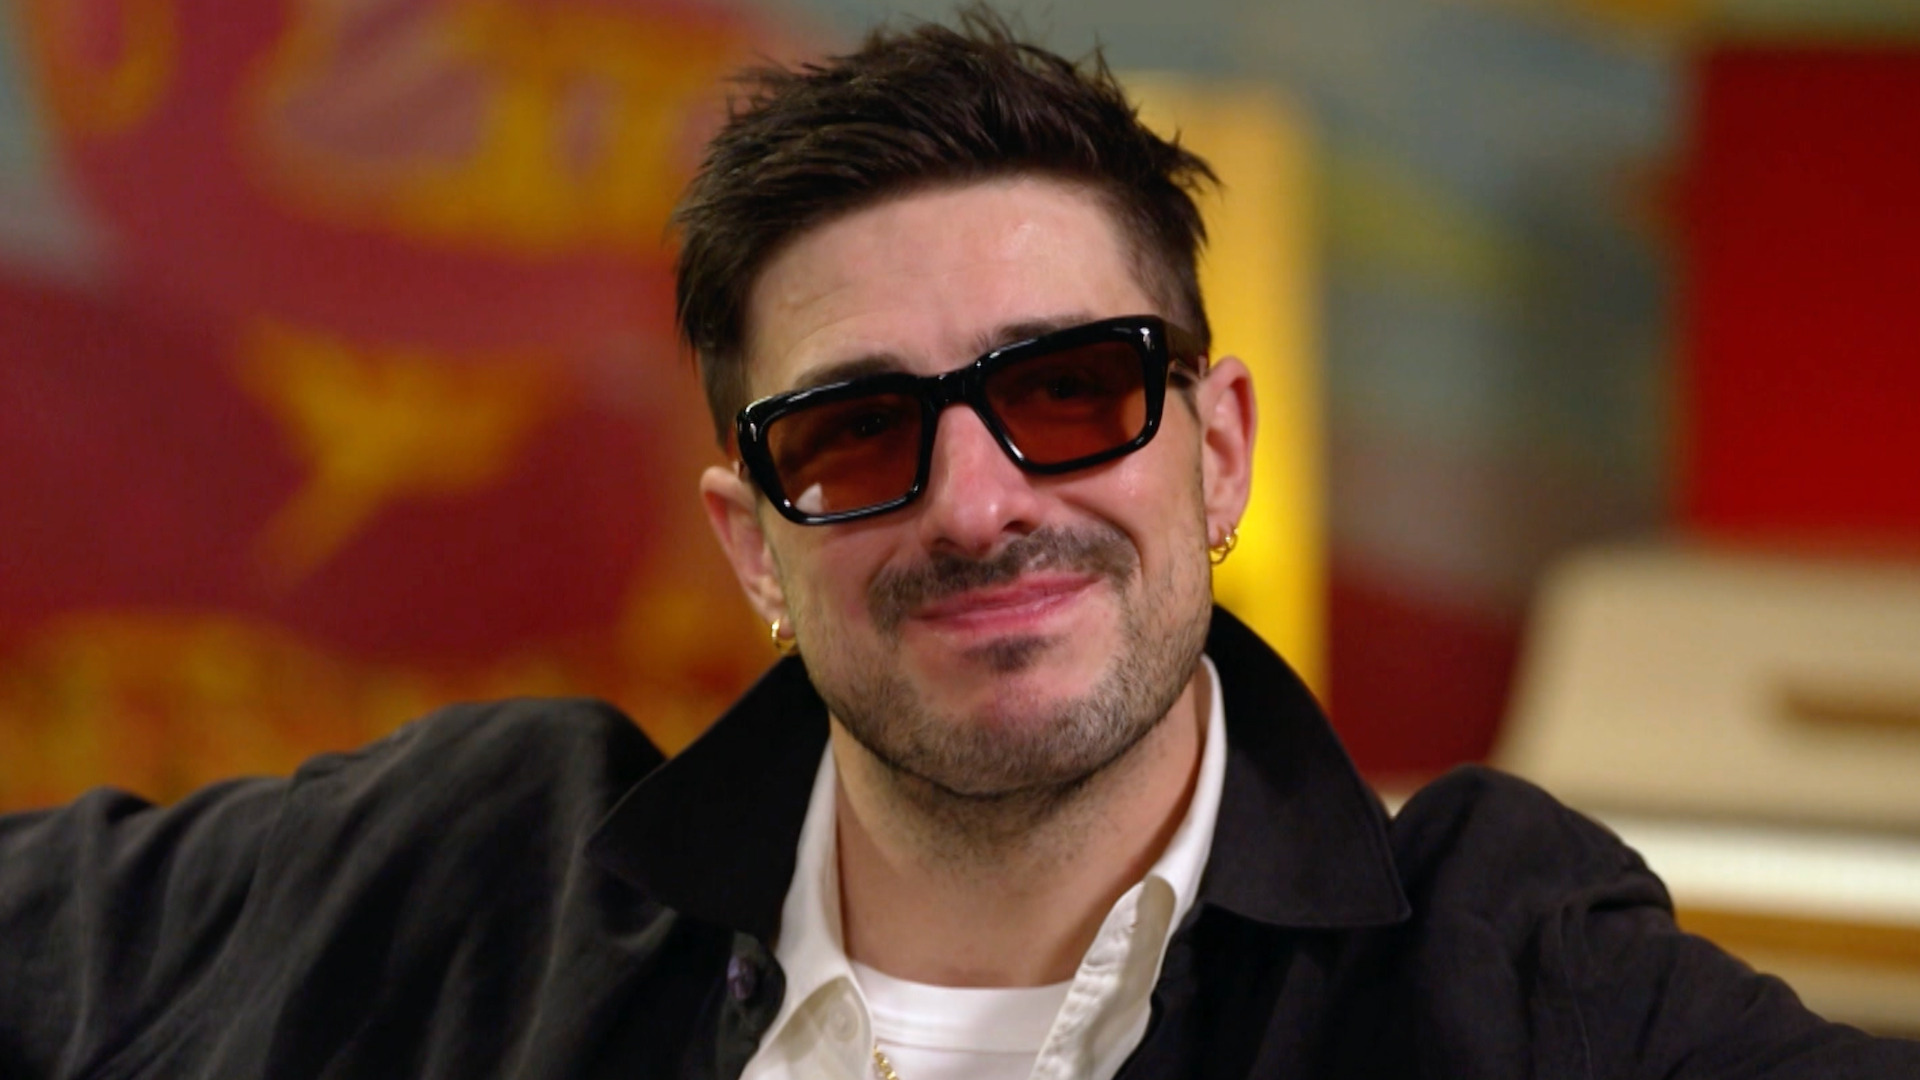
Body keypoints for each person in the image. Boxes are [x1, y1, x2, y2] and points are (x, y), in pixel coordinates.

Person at [3, 8, 1917, 1079]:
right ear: (752, 545)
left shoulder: (1505, 979)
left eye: (1071, 390)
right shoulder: (463, 878)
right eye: (857, 432)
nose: (983, 502)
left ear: (1219, 451)